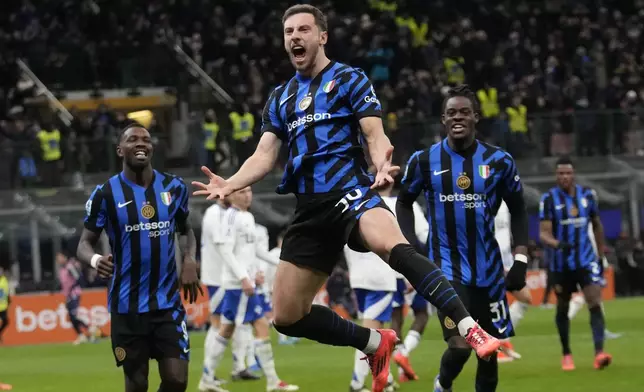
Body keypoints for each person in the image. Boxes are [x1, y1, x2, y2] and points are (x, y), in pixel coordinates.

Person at [192, 6, 501, 392]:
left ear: (322, 36)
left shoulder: (349, 79)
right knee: (286, 316)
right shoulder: (281, 97)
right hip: (309, 208)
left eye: (303, 29)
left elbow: (375, 134)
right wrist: (230, 183)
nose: (294, 37)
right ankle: (375, 342)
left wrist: (380, 164)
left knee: (394, 246)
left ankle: (471, 329)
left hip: (351, 192)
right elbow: (264, 155)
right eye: (289, 31)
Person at [396, 85, 530, 392]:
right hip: (445, 269)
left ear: (476, 117)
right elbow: (403, 202)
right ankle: (443, 384)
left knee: (489, 353)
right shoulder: (423, 161)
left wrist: (521, 259)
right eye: (452, 112)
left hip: (490, 272)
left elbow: (519, 210)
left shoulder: (500, 161)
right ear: (443, 119)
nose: (458, 117)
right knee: (460, 346)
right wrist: (411, 248)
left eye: (464, 112)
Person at [77, 123, 203, 392]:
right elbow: (84, 245)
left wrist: (190, 259)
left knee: (177, 380)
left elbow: (186, 231)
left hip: (167, 304)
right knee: (137, 385)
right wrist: (96, 260)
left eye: (146, 139)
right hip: (127, 307)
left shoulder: (173, 187)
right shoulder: (106, 194)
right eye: (132, 139)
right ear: (120, 150)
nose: (141, 143)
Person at [199, 187, 298, 392]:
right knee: (257, 325)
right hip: (238, 285)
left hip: (244, 283)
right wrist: (244, 278)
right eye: (242, 192)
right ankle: (271, 381)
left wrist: (280, 263)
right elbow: (225, 251)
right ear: (232, 195)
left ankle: (208, 378)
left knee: (229, 328)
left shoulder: (247, 217)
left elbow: (255, 250)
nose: (248, 195)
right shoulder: (230, 217)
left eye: (250, 191)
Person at [539, 157, 613, 371]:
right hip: (561, 264)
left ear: (574, 174)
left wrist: (600, 256)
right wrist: (557, 244)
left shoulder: (588, 196)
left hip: (586, 260)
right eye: (560, 173)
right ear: (556, 175)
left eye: (568, 173)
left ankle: (599, 353)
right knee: (562, 306)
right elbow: (544, 233)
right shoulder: (549, 199)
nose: (564, 177)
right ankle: (566, 354)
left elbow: (597, 226)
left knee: (594, 302)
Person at [201, 200, 258, 385]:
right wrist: (242, 274)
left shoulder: (236, 214)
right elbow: (224, 247)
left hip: (234, 275)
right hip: (219, 277)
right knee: (219, 323)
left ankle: (239, 366)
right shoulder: (215, 214)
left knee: (240, 323)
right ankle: (209, 373)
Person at [493, 200, 531, 362]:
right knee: (494, 308)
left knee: (526, 299)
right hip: (490, 264)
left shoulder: (506, 201)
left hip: (508, 264)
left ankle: (503, 340)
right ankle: (496, 350)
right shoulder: (481, 197)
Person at [56, 252, 98, 345]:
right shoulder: (62, 269)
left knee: (73, 315)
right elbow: (63, 283)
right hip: (67, 295)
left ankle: (89, 328)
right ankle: (82, 335)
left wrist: (73, 288)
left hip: (74, 294)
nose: (58, 260)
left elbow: (78, 277)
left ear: (65, 257)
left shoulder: (70, 266)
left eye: (60, 257)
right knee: (71, 317)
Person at [0, 265, 9, 344]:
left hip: (3, 306)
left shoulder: (4, 280)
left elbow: (6, 291)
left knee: (6, 321)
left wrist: (8, 300)